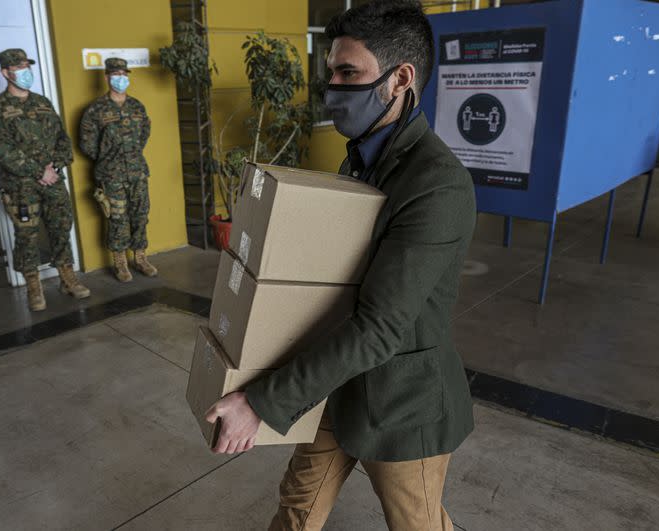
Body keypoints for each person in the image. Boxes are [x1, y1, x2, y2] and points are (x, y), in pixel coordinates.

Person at [204, 2, 477, 530]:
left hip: (402, 403)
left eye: (348, 73)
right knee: (298, 503)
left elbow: (379, 329)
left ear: (400, 79)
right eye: (331, 71)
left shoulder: (437, 184)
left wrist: (261, 401)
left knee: (416, 522)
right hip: (338, 382)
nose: (332, 86)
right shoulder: (360, 159)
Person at [0, 48, 90, 312]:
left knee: (61, 228)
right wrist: (37, 171)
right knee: (27, 234)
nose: (25, 72)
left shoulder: (43, 103)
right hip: (21, 186)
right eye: (19, 68)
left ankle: (68, 278)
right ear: (5, 73)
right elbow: (2, 150)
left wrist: (56, 165)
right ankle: (34, 287)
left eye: (26, 66)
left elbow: (62, 139)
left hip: (53, 180)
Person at [79, 57, 157, 282]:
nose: (121, 79)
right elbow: (87, 143)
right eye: (116, 75)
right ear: (106, 77)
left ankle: (140, 257)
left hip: (137, 171)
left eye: (124, 75)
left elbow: (144, 134)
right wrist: (109, 159)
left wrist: (129, 154)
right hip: (111, 174)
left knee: (141, 215)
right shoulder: (95, 110)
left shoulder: (137, 106)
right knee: (118, 218)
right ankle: (121, 263)